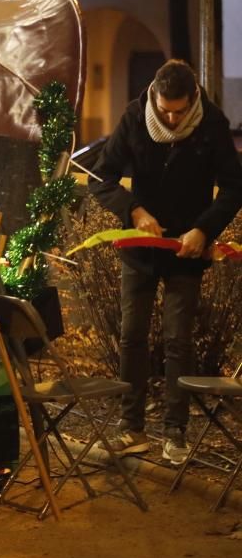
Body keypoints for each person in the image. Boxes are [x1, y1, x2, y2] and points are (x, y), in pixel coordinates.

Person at [90, 59, 242, 465]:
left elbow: (233, 187)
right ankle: (130, 427)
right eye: (164, 110)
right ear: (154, 97)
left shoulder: (212, 125)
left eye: (179, 111)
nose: (171, 118)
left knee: (178, 340)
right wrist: (134, 211)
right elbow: (99, 177)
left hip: (187, 250)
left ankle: (175, 432)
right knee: (131, 336)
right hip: (140, 248)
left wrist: (204, 230)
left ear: (193, 98)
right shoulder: (135, 118)